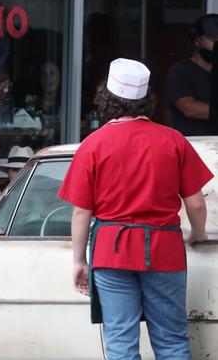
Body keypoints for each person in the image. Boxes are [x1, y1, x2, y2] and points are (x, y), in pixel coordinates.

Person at [58, 58, 213, 359]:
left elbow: (81, 213)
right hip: (165, 250)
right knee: (171, 341)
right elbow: (195, 202)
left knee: (121, 343)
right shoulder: (174, 140)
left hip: (110, 252)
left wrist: (79, 260)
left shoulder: (93, 144)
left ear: (106, 98)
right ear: (146, 101)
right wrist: (197, 234)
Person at [165, 14, 218, 136]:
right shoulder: (179, 71)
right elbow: (189, 108)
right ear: (197, 40)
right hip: (194, 145)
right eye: (213, 40)